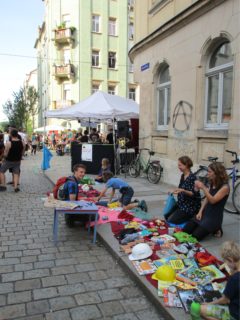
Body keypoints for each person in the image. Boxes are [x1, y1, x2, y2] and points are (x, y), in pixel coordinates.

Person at [183, 162, 229, 241]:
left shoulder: (225, 187)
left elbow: (213, 201)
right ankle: (207, 226)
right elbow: (207, 198)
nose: (208, 173)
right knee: (186, 230)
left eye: (210, 171)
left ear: (217, 173)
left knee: (195, 236)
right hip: (205, 213)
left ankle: (217, 228)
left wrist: (203, 187)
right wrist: (200, 212)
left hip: (214, 217)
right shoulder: (213, 182)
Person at [197, 241, 239, 320]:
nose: (226, 264)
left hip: (235, 314)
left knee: (200, 309)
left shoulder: (234, 278)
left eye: (226, 261)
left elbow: (225, 300)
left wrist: (209, 304)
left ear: (231, 260)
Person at [165, 156, 201, 224]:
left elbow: (194, 194)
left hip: (189, 206)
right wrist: (173, 191)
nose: (178, 167)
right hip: (181, 203)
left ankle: (192, 216)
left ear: (186, 165)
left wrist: (183, 191)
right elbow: (180, 189)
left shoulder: (192, 177)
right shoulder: (183, 176)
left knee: (171, 221)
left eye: (180, 165)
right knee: (167, 216)